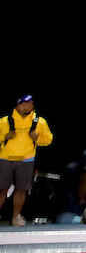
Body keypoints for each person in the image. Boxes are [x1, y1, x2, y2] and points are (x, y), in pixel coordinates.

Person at [0, 94, 52, 226]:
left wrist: (37, 138)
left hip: (27, 159)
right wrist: (5, 136)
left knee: (22, 189)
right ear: (18, 105)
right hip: (6, 158)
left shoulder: (39, 122)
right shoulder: (5, 121)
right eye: (24, 104)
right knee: (1, 188)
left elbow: (48, 139)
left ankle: (16, 217)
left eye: (30, 104)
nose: (27, 107)